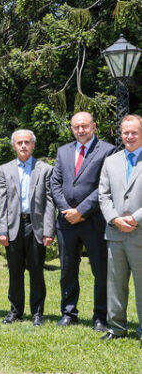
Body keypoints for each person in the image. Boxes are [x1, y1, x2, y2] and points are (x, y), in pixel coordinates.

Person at [50, 111, 115, 332]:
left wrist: (82, 210)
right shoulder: (63, 151)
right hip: (66, 221)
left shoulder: (107, 150)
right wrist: (67, 209)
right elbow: (55, 183)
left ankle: (100, 316)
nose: (80, 130)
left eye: (85, 126)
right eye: (76, 127)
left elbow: (105, 187)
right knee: (68, 269)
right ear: (71, 128)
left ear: (94, 126)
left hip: (94, 221)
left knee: (100, 270)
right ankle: (69, 313)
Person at [0, 129, 55, 326]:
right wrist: (1, 230)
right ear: (14, 146)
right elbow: (1, 201)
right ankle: (15, 311)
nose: (23, 146)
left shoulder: (45, 169)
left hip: (35, 225)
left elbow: (49, 202)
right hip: (13, 226)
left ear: (33, 145)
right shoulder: (5, 169)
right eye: (19, 142)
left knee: (36, 271)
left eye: (27, 142)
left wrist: (48, 230)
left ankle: (37, 313)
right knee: (15, 271)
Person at [98, 114, 142, 342]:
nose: (129, 136)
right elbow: (103, 195)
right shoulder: (111, 161)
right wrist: (114, 218)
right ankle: (117, 328)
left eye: (134, 132)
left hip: (140, 233)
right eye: (126, 132)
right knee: (115, 285)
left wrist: (135, 218)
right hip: (115, 233)